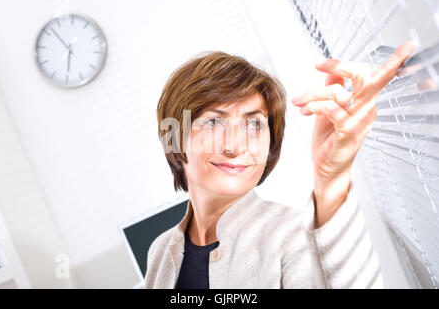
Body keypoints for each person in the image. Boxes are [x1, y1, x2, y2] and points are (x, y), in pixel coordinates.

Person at [145, 42, 416, 288]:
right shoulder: (160, 251)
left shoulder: (293, 238)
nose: (236, 146)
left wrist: (332, 177)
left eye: (254, 124)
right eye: (214, 122)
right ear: (173, 138)